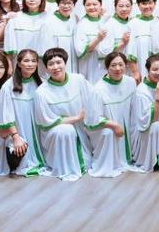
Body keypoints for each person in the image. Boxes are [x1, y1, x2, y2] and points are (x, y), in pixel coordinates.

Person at [33, 48, 105, 181]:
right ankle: (65, 166)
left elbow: (93, 96)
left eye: (58, 62)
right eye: (51, 64)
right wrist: (76, 118)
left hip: (80, 129)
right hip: (56, 133)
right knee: (65, 130)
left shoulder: (78, 80)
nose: (55, 67)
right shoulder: (41, 92)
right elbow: (45, 122)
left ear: (65, 63)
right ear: (46, 68)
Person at [0, 49, 48, 177]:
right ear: (18, 64)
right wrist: (15, 137)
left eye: (33, 61)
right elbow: (6, 115)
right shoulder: (8, 86)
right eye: (26, 61)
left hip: (38, 129)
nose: (30, 64)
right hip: (18, 132)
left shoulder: (41, 83)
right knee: (18, 152)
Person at [90, 52, 136, 177]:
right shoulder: (98, 89)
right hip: (106, 128)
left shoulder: (131, 82)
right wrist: (114, 125)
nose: (117, 69)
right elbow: (93, 119)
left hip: (127, 125)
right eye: (113, 65)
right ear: (106, 67)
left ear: (125, 66)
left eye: (121, 65)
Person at [131, 54, 159, 172]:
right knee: (157, 126)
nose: (158, 72)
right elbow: (152, 120)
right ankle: (153, 158)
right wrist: (158, 99)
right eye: (154, 69)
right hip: (146, 132)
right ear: (148, 70)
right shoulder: (141, 91)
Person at [126, 0, 159, 81]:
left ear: (155, 4)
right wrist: (135, 72)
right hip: (140, 68)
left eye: (150, 3)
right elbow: (130, 52)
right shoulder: (133, 24)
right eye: (144, 3)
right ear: (138, 5)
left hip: (158, 70)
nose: (147, 6)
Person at [74, 0, 113, 84]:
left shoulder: (106, 21)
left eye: (95, 4)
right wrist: (98, 39)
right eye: (88, 5)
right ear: (84, 7)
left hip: (105, 66)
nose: (92, 7)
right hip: (89, 65)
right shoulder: (81, 25)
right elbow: (80, 51)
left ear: (100, 5)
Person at [37, 0, 79, 73]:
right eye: (63, 3)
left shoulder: (75, 18)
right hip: (56, 67)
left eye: (69, 3)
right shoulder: (48, 23)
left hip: (74, 64)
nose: (66, 6)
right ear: (58, 4)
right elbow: (45, 52)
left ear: (74, 4)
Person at [4, 0, 46, 65]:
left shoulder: (48, 18)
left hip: (42, 63)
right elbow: (9, 46)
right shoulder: (16, 18)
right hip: (20, 63)